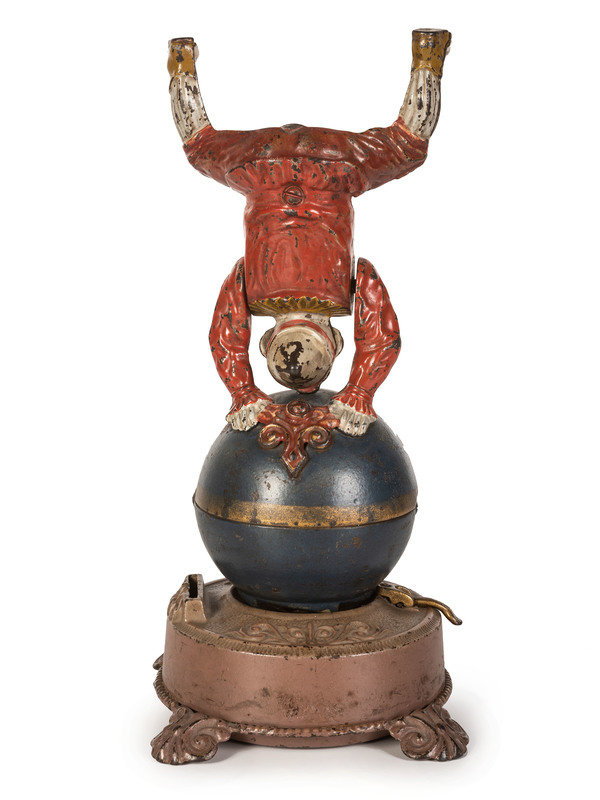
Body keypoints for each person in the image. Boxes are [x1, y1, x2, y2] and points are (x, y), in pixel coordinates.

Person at [167, 30, 451, 434]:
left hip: (303, 168)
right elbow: (224, 336)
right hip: (296, 167)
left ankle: (428, 55)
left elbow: (382, 335)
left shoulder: (285, 291)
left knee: (408, 144)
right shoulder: (274, 292)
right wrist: (357, 393)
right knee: (199, 145)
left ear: (337, 341)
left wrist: (245, 393)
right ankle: (180, 61)